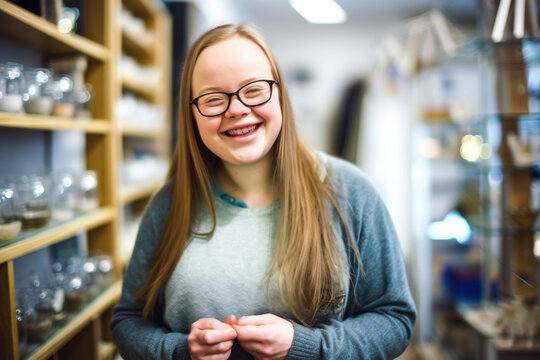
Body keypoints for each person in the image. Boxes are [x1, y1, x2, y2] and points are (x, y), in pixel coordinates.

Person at [110, 24, 416, 360]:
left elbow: (393, 319)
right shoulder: (169, 206)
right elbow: (127, 322)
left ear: (279, 93)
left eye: (253, 90)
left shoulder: (350, 193)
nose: (236, 109)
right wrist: (180, 350)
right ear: (192, 114)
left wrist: (308, 347)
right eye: (213, 98)